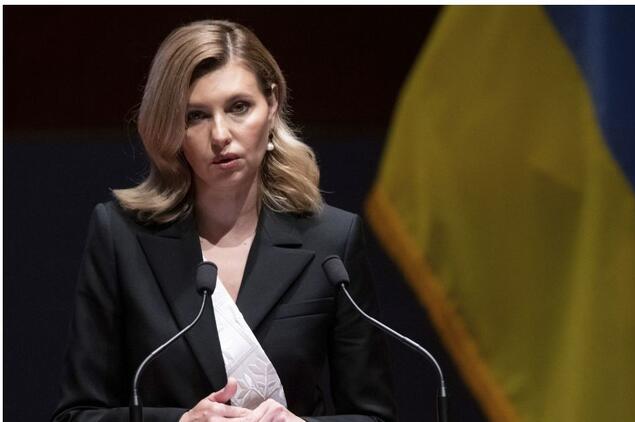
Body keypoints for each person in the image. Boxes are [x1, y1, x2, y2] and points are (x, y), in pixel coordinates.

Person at [52, 19, 396, 422]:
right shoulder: (122, 237)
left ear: (272, 104)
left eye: (239, 107)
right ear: (171, 128)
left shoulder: (332, 241)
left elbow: (375, 417)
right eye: (196, 115)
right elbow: (76, 415)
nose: (220, 135)